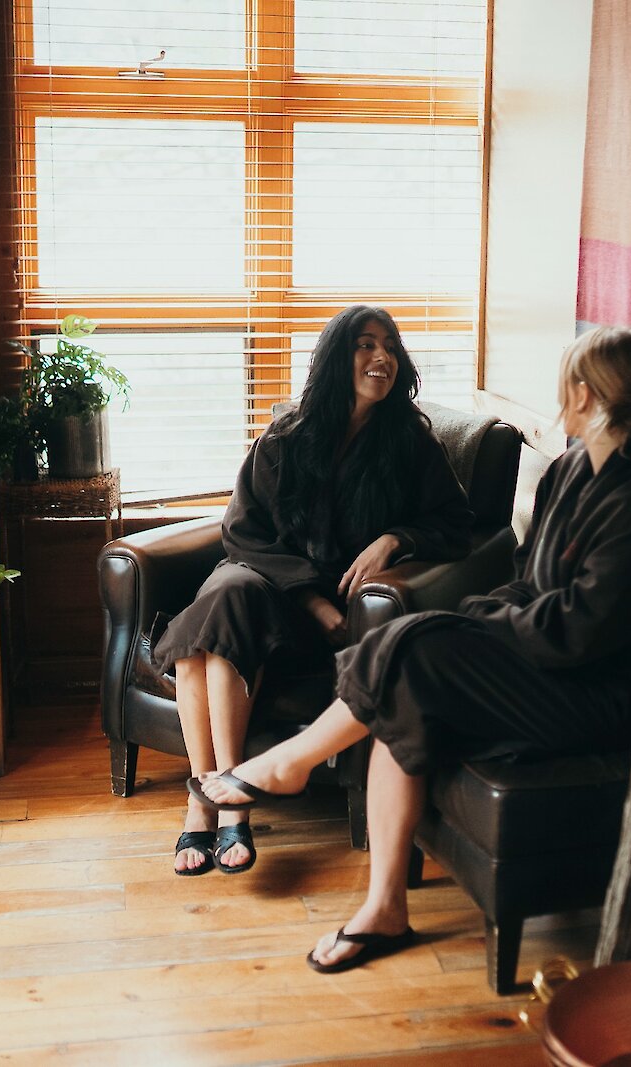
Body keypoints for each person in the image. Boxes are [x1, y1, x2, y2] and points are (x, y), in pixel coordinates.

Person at [189, 324, 631, 971]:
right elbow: (527, 580)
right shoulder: (568, 471)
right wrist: (480, 619)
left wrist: (479, 629)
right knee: (410, 673)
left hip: (593, 693)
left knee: (414, 649)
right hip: (543, 660)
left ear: (584, 396)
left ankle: (291, 763)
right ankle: (384, 906)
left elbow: (581, 629)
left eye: (565, 385)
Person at [158, 305, 472, 876]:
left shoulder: (410, 444)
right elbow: (242, 531)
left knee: (215, 621)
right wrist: (310, 597)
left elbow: (457, 524)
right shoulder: (286, 437)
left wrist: (393, 539)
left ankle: (211, 800)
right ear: (335, 359)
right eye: (365, 346)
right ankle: (221, 805)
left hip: (342, 619)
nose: (381, 359)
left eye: (389, 347)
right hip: (275, 592)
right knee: (224, 600)